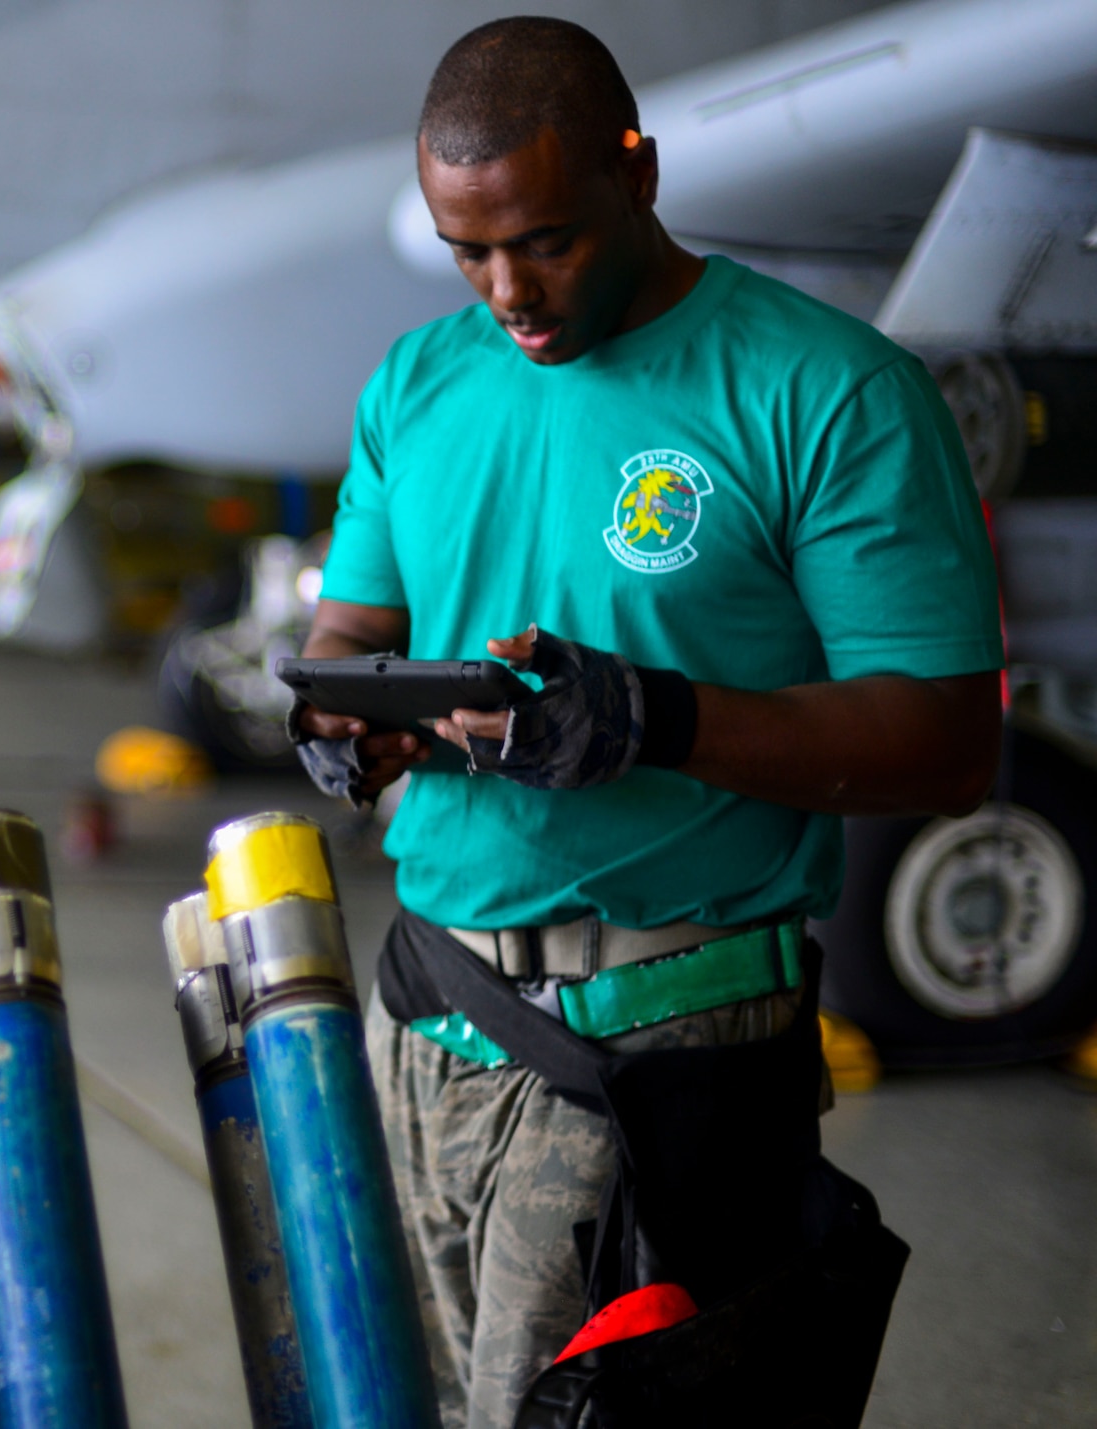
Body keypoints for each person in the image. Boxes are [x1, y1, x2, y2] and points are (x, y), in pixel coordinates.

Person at [291, 18, 1002, 1428]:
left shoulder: (829, 390)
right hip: (428, 1024)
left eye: (545, 241)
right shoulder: (420, 384)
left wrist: (654, 719)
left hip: (652, 1059)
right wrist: (346, 722)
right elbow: (351, 639)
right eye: (469, 252)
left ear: (643, 173)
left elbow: (942, 741)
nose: (509, 291)